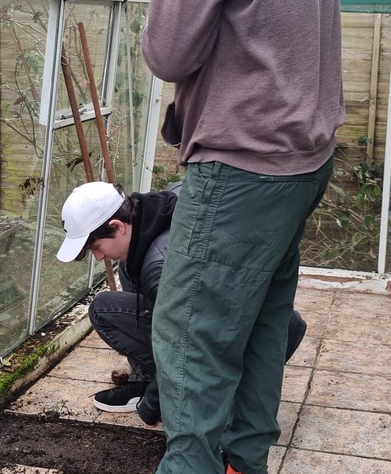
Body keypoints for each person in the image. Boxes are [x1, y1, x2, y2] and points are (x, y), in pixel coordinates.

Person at [118, 0, 345, 474]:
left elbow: (167, 52)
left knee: (187, 326)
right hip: (302, 160)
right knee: (260, 316)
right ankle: (245, 472)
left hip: (244, 164)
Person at [56, 181, 308, 427]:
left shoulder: (161, 267)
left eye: (96, 247)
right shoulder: (166, 202)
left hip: (253, 335)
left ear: (117, 225)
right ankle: (144, 381)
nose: (99, 256)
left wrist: (154, 402)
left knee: (103, 309)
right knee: (128, 264)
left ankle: (212, 384)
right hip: (242, 311)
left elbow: (188, 345)